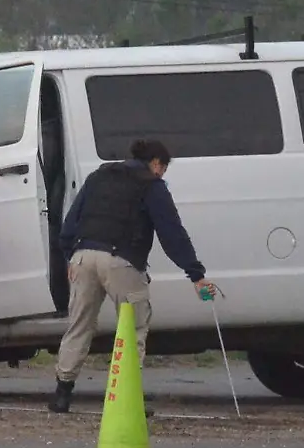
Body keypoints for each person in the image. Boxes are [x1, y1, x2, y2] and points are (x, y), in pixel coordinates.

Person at [49, 138, 214, 414]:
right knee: (133, 328)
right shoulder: (152, 185)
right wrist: (195, 273)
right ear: (156, 163)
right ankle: (127, 399)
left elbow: (71, 222)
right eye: (163, 169)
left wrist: (70, 255)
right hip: (121, 261)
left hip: (83, 256)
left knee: (79, 325)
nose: (162, 174)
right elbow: (171, 233)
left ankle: (62, 395)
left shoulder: (98, 176)